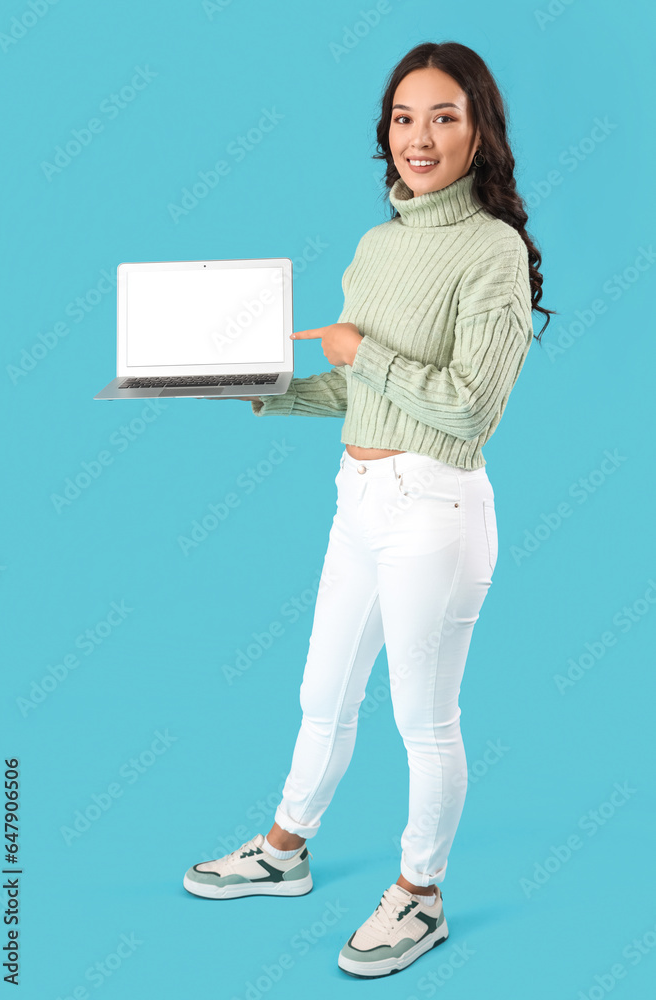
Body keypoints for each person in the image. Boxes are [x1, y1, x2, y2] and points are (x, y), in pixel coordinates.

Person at [184, 40, 554, 979]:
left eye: (443, 117)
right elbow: (362, 398)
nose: (418, 138)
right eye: (403, 117)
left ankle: (420, 898)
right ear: (383, 132)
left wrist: (359, 353)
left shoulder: (493, 250)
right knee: (321, 692)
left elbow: (470, 405)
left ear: (480, 131)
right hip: (358, 497)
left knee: (422, 718)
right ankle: (282, 850)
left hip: (436, 502)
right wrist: (258, 390)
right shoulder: (376, 246)